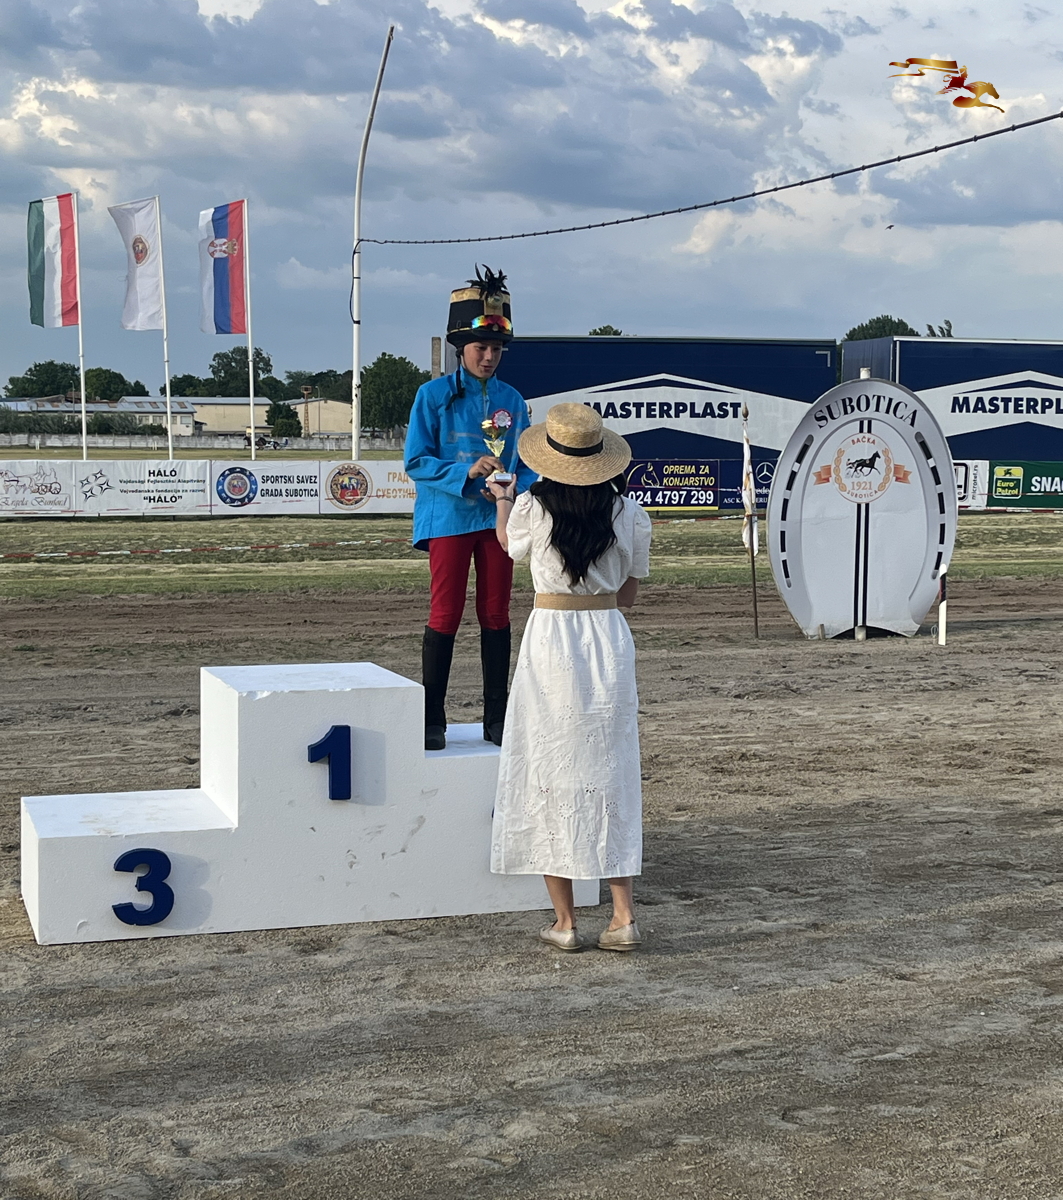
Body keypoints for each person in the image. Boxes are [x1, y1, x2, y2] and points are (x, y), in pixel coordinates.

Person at [487, 403, 652, 952]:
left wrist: (503, 499)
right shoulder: (629, 513)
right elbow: (629, 594)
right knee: (612, 770)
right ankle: (623, 916)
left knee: (546, 765)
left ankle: (565, 922)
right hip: (607, 638)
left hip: (551, 639)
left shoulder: (532, 506)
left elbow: (509, 547)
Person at [404, 267, 536, 752]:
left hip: (499, 521)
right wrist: (466, 473)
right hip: (449, 518)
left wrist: (510, 488)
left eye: (497, 348)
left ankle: (497, 718)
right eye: (481, 347)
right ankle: (431, 719)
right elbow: (416, 461)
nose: (489, 357)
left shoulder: (513, 400)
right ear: (461, 347)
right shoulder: (432, 396)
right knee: (445, 612)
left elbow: (527, 464)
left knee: (496, 613)